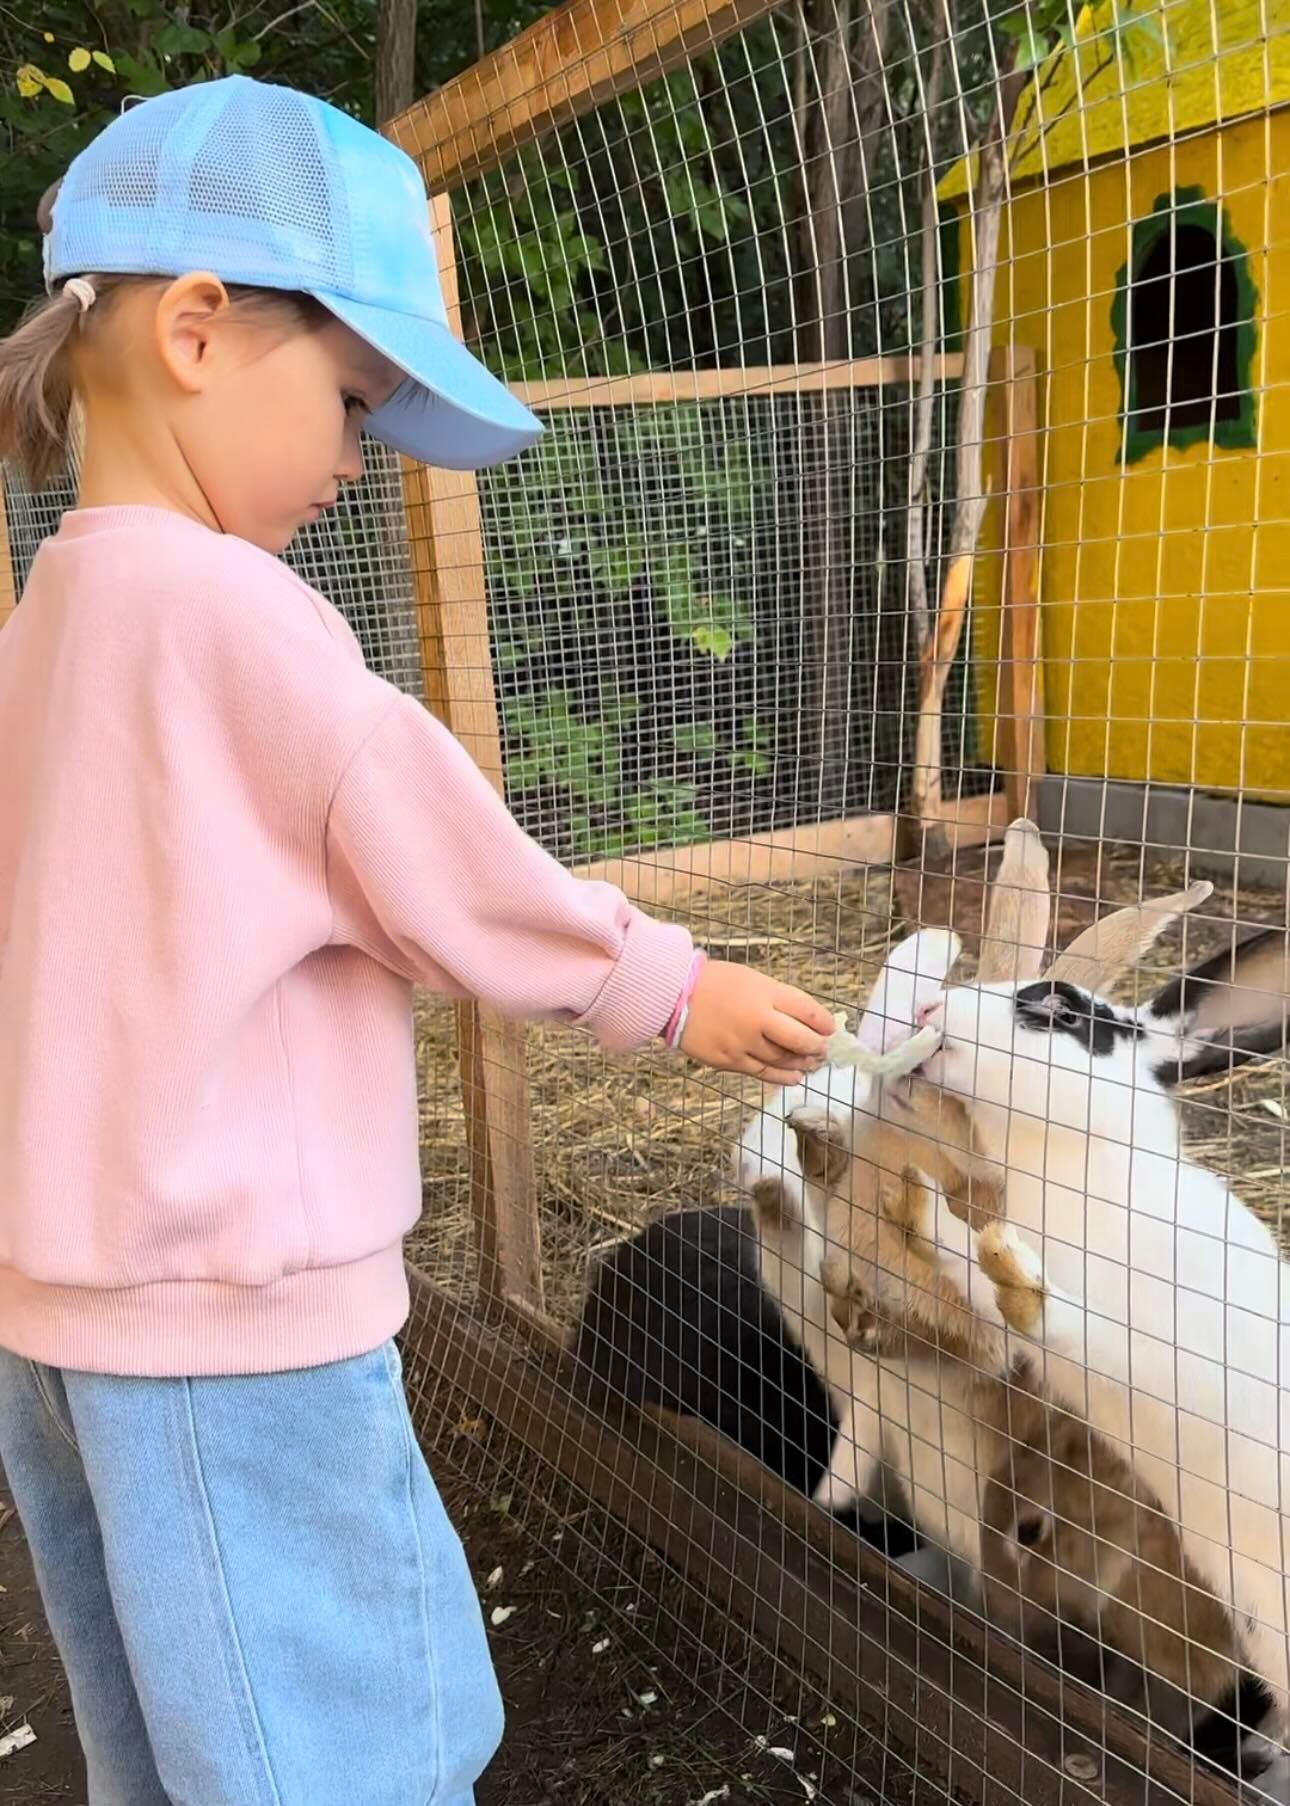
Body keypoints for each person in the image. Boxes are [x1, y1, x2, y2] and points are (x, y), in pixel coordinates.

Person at [0, 75, 835, 1806]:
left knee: (165, 1734)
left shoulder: (51, 610)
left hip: (55, 1322)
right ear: (202, 332)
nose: (351, 460)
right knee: (348, 1744)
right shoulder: (240, 618)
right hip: (236, 1326)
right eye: (355, 400)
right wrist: (674, 983)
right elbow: (438, 851)